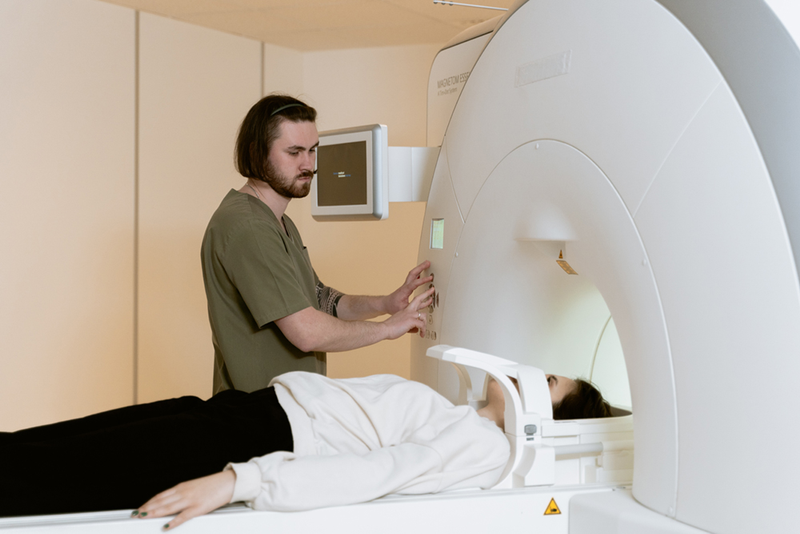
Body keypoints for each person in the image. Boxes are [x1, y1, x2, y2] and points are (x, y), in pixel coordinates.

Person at [0, 371, 610, 529]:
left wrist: (239, 481)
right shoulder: (465, 414)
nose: (528, 373)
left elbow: (378, 471)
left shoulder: (483, 447)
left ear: (547, 418)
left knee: (58, 471)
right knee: (52, 445)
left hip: (257, 441)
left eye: (547, 381)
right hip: (247, 412)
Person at [201, 94, 434, 393]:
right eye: (294, 152)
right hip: (261, 411)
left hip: (292, 406)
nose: (308, 164)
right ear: (257, 154)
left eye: (312, 150)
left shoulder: (279, 222)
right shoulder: (250, 227)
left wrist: (385, 304)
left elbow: (321, 299)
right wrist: (388, 329)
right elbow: (307, 332)